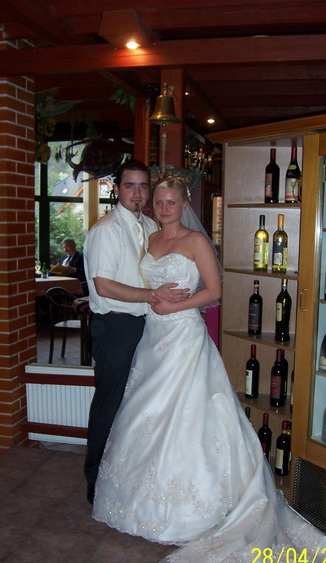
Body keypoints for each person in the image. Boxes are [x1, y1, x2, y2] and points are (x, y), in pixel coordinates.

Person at [93, 176, 326, 563]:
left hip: (184, 338)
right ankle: (144, 505)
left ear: (184, 204)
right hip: (153, 339)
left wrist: (176, 304)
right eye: (159, 202)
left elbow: (213, 290)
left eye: (171, 201)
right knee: (145, 415)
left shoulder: (196, 241)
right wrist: (153, 299)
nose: (164, 207)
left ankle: (195, 512)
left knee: (187, 416)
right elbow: (138, 287)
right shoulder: (150, 239)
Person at [83, 161, 189, 505]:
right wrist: (152, 295)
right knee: (110, 403)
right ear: (117, 189)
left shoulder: (150, 225)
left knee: (137, 406)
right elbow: (104, 285)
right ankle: (95, 478)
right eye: (130, 186)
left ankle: (127, 478)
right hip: (116, 326)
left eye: (144, 186)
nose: (138, 193)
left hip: (148, 325)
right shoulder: (106, 230)